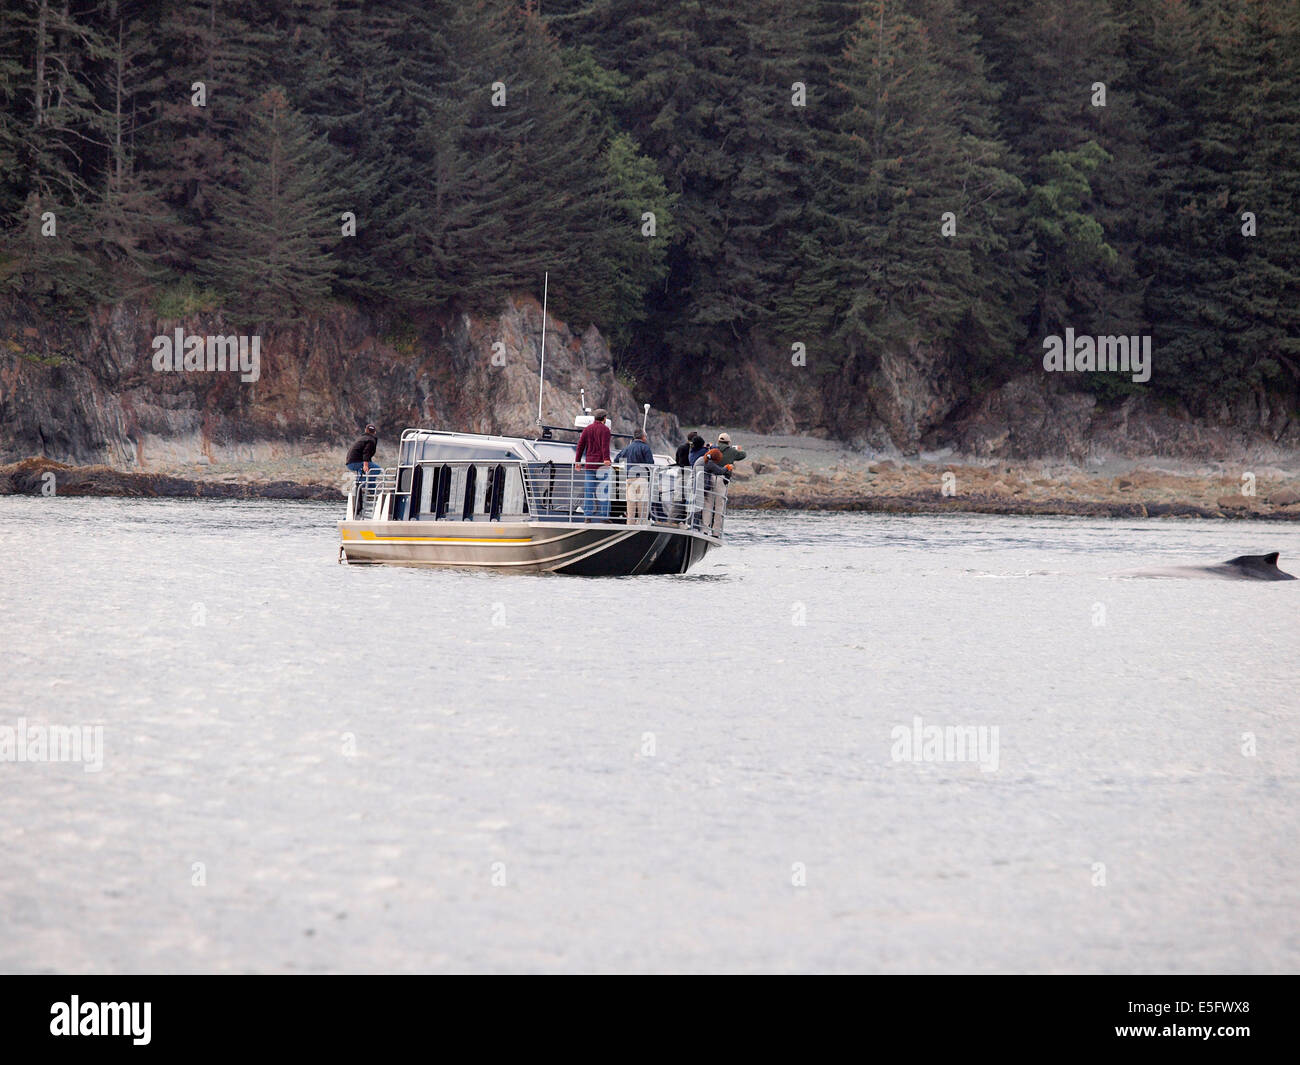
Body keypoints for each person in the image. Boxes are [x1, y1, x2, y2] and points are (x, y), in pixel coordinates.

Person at [574, 407, 612, 521]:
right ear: (604, 418)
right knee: (603, 492)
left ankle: (587, 516)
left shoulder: (587, 429)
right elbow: (605, 446)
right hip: (602, 466)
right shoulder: (605, 430)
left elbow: (580, 446)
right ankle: (604, 516)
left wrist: (578, 461)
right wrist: (606, 459)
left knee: (588, 492)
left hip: (590, 464)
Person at [616, 429, 655, 524]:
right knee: (642, 505)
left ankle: (630, 525)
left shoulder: (627, 448)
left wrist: (625, 469)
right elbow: (651, 464)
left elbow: (617, 459)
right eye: (645, 436)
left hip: (629, 478)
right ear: (643, 437)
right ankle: (641, 525)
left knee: (631, 505)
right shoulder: (645, 448)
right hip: (642, 478)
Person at [699, 447, 731, 535]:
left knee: (707, 506)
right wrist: (727, 468)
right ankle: (716, 532)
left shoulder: (705, 460)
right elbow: (719, 471)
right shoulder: (710, 463)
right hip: (715, 482)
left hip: (708, 484)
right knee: (718, 508)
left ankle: (705, 529)